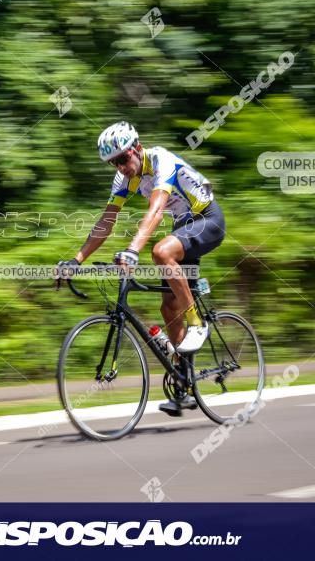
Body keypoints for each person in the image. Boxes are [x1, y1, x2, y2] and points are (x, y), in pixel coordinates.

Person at [61, 122, 226, 415]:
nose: (120, 167)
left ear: (137, 148)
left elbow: (155, 210)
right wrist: (76, 260)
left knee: (161, 252)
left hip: (208, 219)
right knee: (167, 307)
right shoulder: (123, 179)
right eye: (113, 163)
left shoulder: (162, 161)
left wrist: (133, 250)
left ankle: (197, 323)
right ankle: (184, 384)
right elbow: (106, 222)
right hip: (183, 226)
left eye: (123, 159)